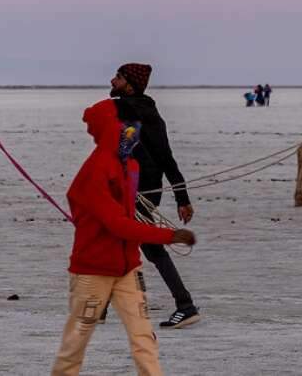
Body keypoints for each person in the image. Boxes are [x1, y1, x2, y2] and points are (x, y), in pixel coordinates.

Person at [52, 98, 197, 376]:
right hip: (92, 273)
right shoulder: (95, 170)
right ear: (112, 127)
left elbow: (128, 218)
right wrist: (170, 235)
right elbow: (118, 225)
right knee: (75, 343)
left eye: (136, 127)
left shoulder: (130, 166)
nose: (134, 133)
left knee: (144, 338)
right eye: (128, 126)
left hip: (129, 270)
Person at [107, 63, 202, 329]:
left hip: (139, 190)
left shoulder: (130, 109)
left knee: (146, 245)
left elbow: (164, 157)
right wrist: (182, 198)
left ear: (130, 84)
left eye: (118, 77)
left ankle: (185, 305)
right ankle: (103, 306)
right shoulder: (141, 110)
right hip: (139, 187)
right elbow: (156, 156)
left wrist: (182, 198)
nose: (112, 81)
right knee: (120, 242)